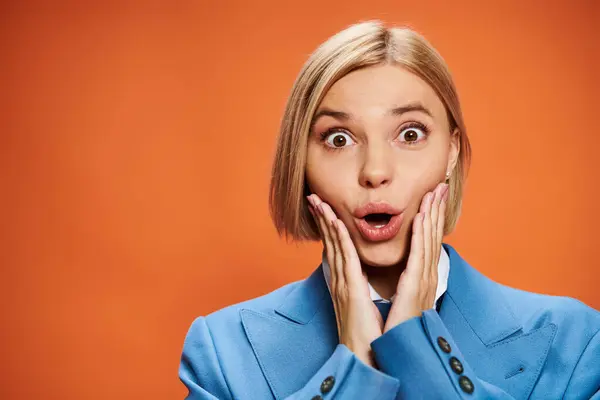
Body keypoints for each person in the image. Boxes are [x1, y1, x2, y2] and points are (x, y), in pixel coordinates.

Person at [179, 21, 599, 399]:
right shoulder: (224, 351)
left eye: (410, 133)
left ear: (451, 152)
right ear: (301, 163)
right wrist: (353, 367)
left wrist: (415, 347)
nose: (375, 171)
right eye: (339, 139)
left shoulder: (576, 342)